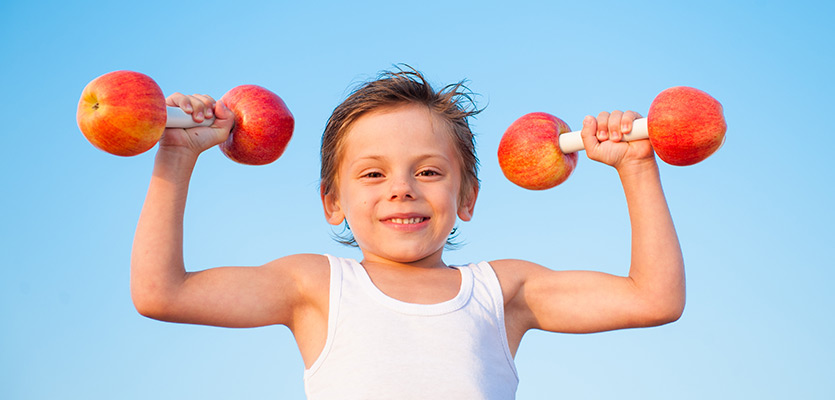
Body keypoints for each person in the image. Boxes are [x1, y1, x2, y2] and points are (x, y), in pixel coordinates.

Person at [131, 67, 685, 399]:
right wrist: (177, 156)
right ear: (333, 203)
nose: (402, 188)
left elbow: (654, 298)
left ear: (466, 198)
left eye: (428, 171)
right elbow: (161, 292)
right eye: (372, 173)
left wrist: (636, 168)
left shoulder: (503, 292)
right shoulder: (315, 288)